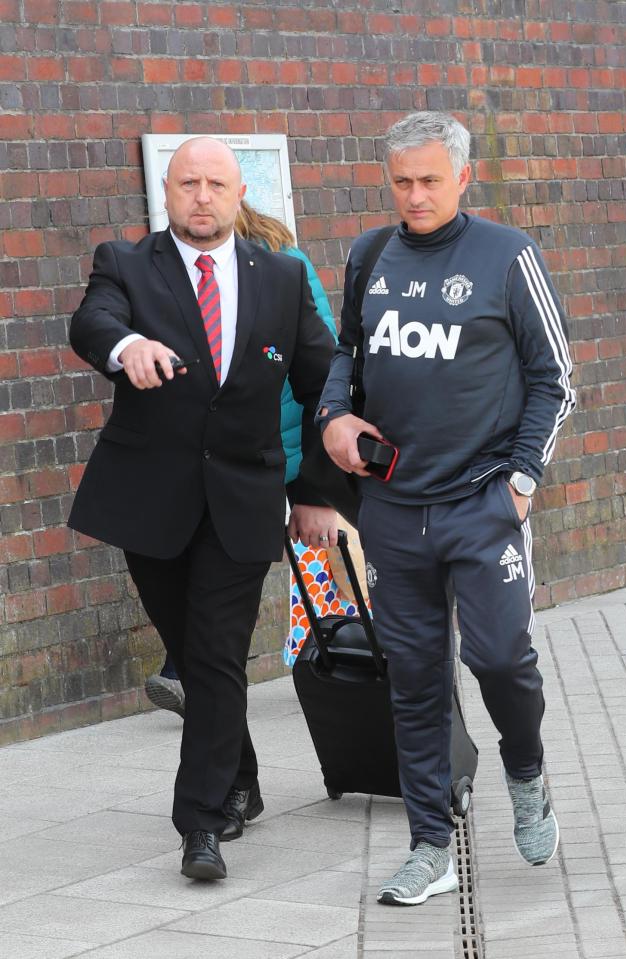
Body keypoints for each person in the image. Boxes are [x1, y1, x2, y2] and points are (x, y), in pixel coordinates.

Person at [319, 112, 576, 906]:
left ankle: (525, 771)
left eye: (430, 179)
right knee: (415, 678)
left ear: (463, 177)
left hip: (481, 502)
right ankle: (430, 842)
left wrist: (522, 481)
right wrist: (334, 416)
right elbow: (346, 355)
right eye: (401, 180)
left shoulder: (507, 256)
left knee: (498, 658)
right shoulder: (371, 253)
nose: (415, 194)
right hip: (393, 507)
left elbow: (554, 377)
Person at [68, 136, 337, 881]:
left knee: (216, 655)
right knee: (193, 653)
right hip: (148, 502)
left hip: (244, 501)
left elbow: (325, 382)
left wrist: (316, 488)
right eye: (188, 183)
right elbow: (91, 322)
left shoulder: (279, 277)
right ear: (167, 188)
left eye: (216, 183)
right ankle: (239, 775)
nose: (202, 197)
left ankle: (201, 823)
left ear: (238, 191)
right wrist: (127, 348)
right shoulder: (124, 263)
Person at [143, 198, 338, 713]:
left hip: (263, 453)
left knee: (229, 568)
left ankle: (192, 672)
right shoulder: (226, 271)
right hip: (237, 453)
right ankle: (190, 672)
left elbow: (320, 362)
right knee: (217, 563)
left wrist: (311, 486)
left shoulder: (282, 268)